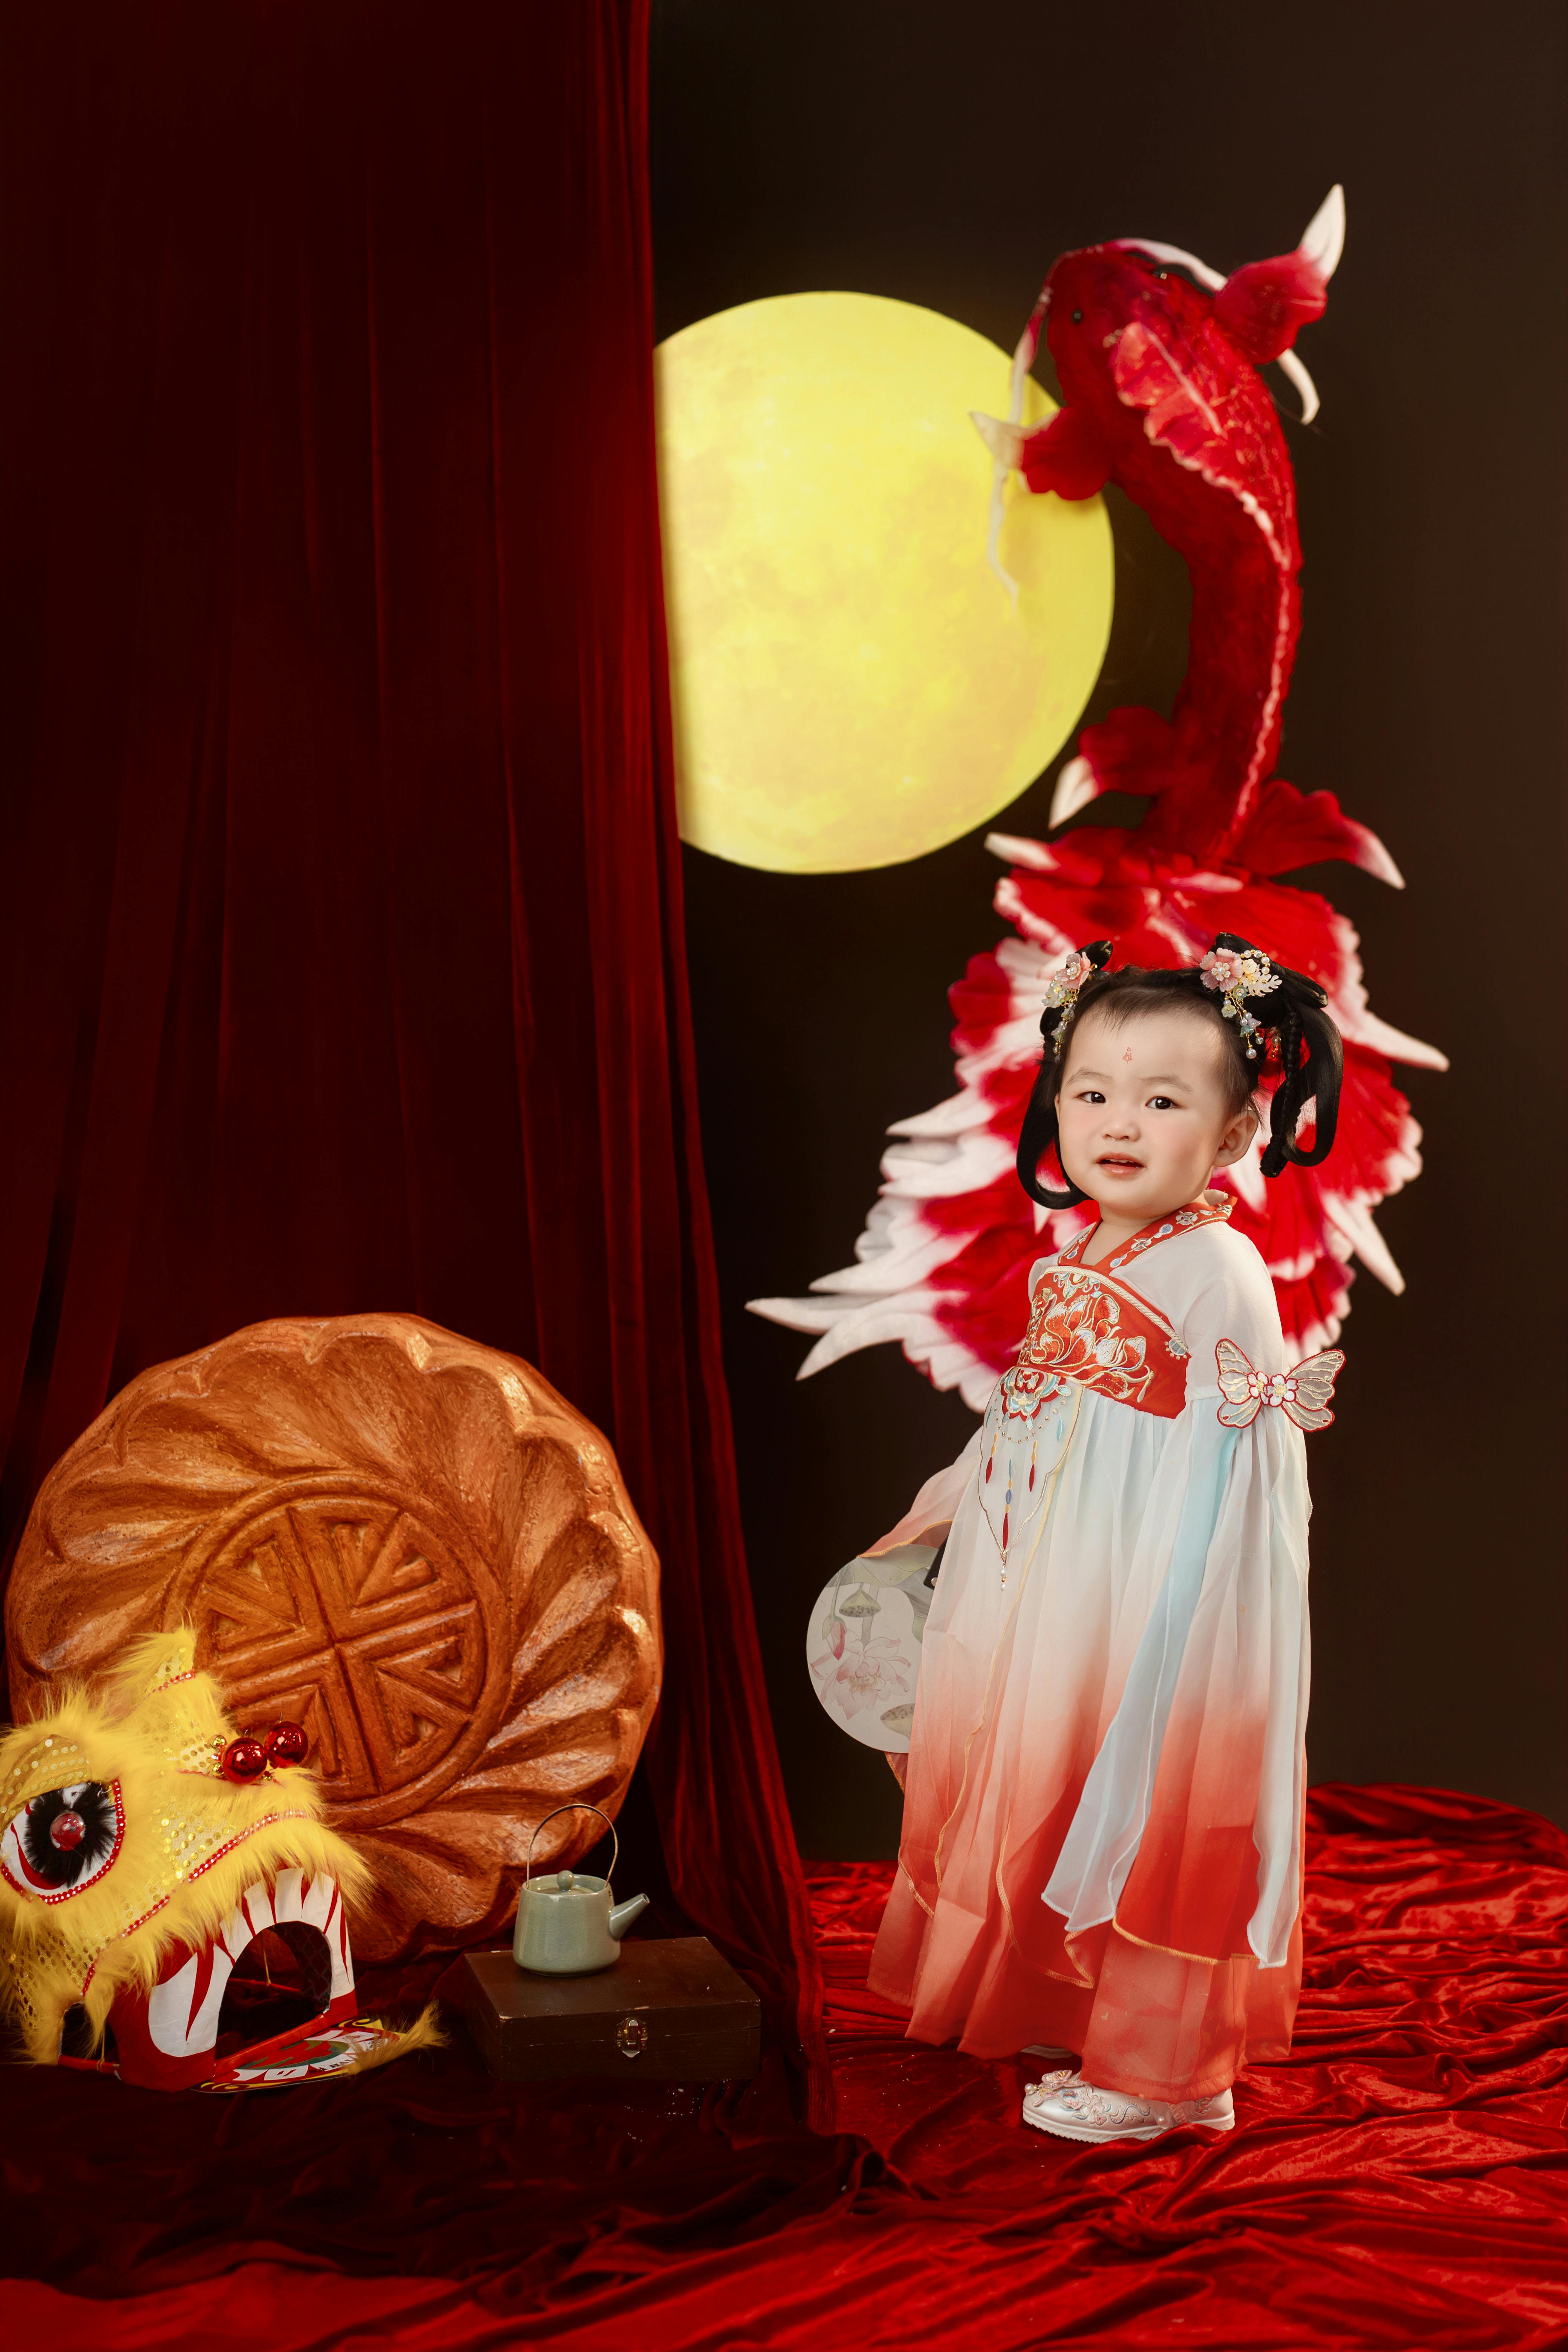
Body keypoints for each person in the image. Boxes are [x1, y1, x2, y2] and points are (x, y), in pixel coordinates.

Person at [863, 934, 1346, 2144]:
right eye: (1092, 1091)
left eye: (1164, 1099)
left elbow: (1230, 1470)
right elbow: (1044, 1396)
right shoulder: (1093, 1243)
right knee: (1049, 1772)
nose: (1118, 1122)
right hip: (1058, 1571)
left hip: (1152, 1585)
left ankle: (1170, 2074)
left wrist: (1168, 1627)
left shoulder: (1220, 1268)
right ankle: (1058, 1993)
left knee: (1160, 1788)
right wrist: (957, 1491)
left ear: (1235, 1136)